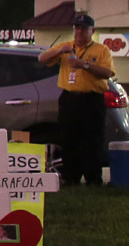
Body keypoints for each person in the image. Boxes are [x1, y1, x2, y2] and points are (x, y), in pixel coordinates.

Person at [39, 11, 114, 187]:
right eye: (77, 29)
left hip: (91, 99)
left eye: (83, 29)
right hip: (70, 99)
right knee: (69, 138)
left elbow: (107, 73)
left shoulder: (101, 50)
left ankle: (93, 179)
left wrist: (85, 65)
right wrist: (59, 51)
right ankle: (71, 177)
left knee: (92, 140)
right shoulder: (66, 46)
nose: (79, 32)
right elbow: (41, 59)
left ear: (92, 31)